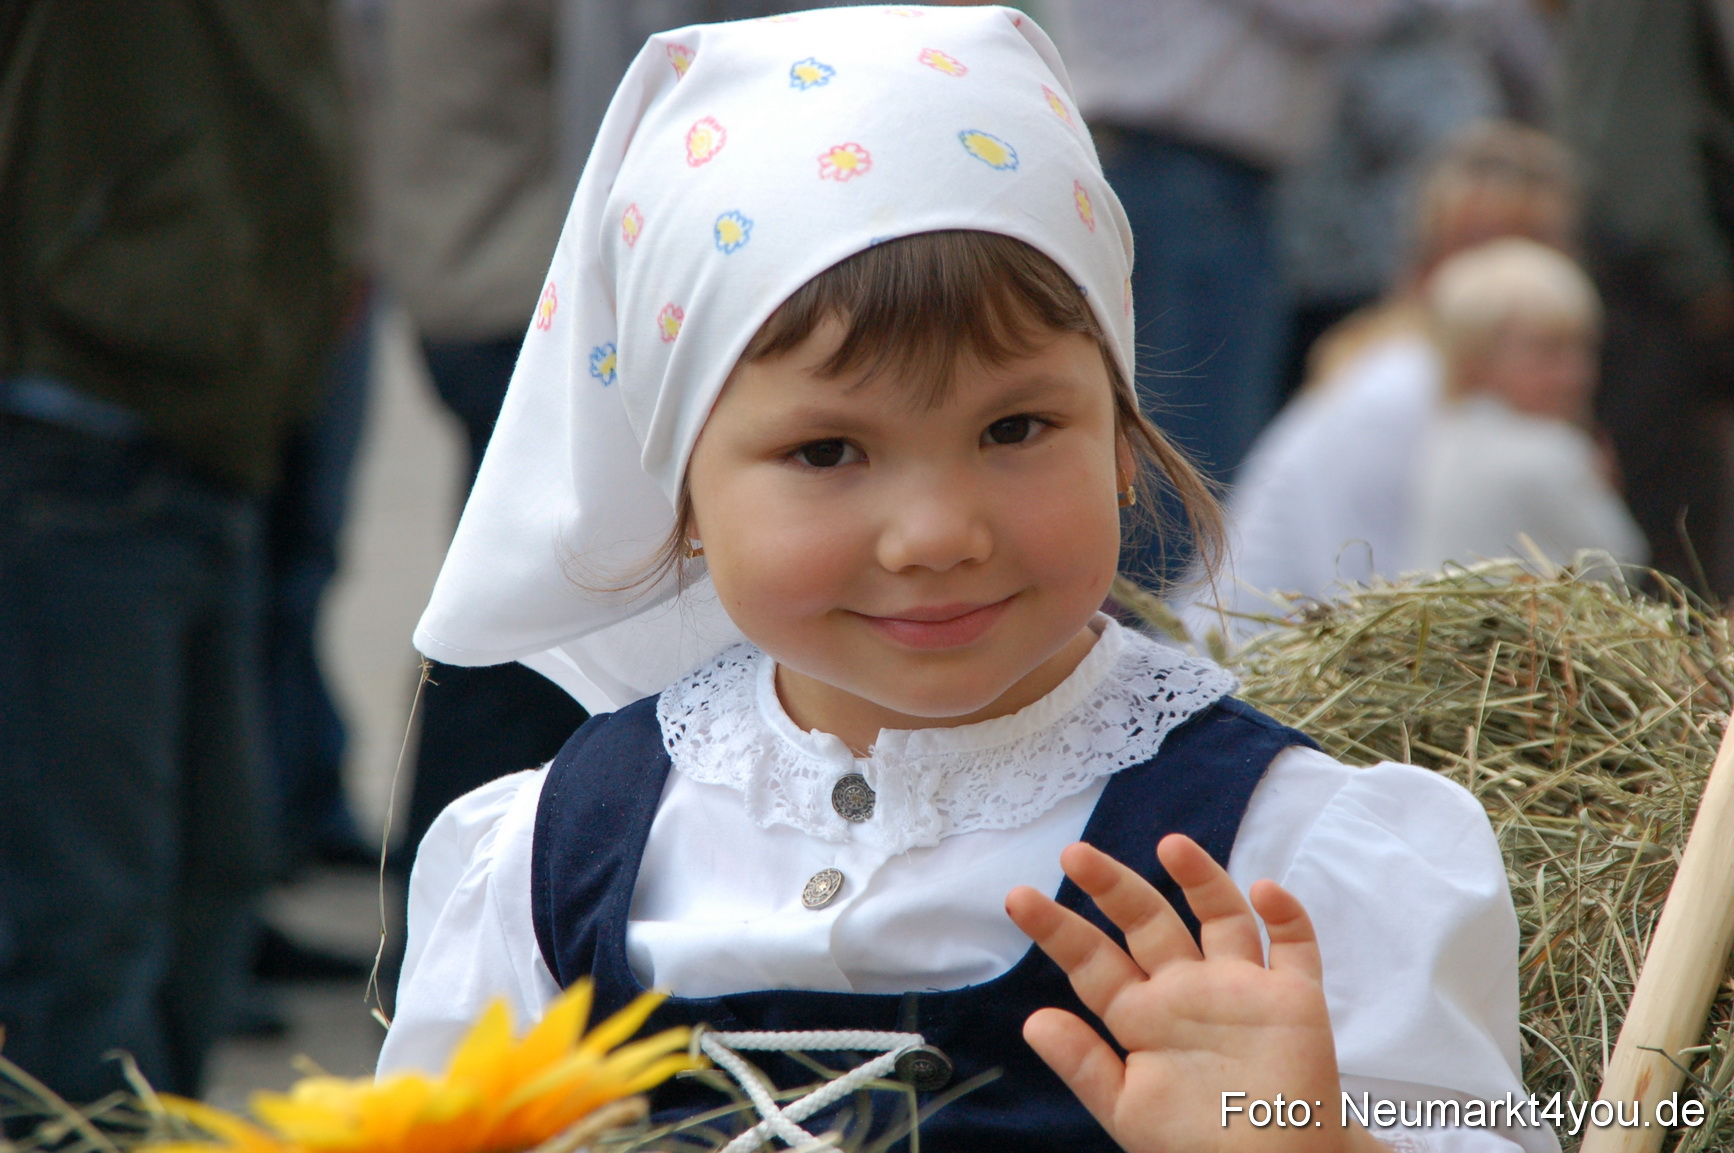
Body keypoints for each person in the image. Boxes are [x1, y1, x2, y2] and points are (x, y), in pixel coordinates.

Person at [380, 9, 1552, 1153]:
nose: (935, 535)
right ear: (680, 491)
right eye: (828, 451)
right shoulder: (551, 855)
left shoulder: (1282, 865)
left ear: (1122, 439)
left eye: (1015, 427)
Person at [0, 0, 349, 1104]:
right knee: (93, 900)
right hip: (77, 426)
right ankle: (78, 1125)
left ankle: (149, 1123)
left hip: (216, 432)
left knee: (220, 869)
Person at [1180, 123, 1580, 646]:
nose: (1512, 282)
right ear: (1429, 264)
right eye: (1479, 252)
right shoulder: (1398, 386)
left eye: (1533, 255)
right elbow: (1357, 598)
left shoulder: (1497, 409)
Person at [1404, 240, 1645, 572]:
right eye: (1548, 352)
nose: (1574, 374)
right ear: (1475, 360)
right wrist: (1602, 488)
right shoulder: (1547, 450)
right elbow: (1620, 563)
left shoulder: (1447, 436)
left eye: (1583, 350)